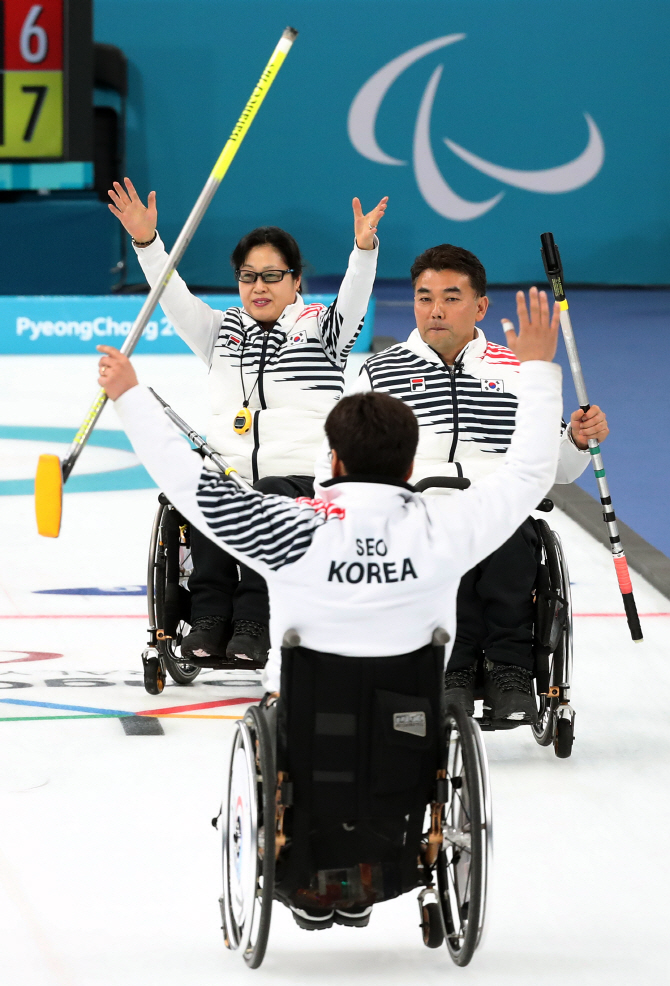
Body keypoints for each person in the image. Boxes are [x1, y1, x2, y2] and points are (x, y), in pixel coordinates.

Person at [98, 284, 561, 928]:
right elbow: (530, 473)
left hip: (303, 733)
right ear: (407, 466)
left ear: (333, 460)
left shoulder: (288, 527)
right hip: (413, 731)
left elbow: (190, 483)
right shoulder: (444, 528)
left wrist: (131, 397)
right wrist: (538, 370)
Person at [323, 244, 609, 722]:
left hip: (496, 507)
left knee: (512, 533)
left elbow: (553, 469)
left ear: (480, 306)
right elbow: (344, 460)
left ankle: (510, 671)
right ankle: (451, 670)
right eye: (424, 297)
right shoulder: (377, 371)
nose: (435, 310)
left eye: (451, 298)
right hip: (417, 513)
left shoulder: (518, 369)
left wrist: (577, 442)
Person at [107, 177, 387, 665]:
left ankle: (256, 620)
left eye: (272, 276)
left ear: (296, 280)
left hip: (301, 477)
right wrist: (148, 244)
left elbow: (355, 295)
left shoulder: (324, 330)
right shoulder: (221, 330)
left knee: (272, 493)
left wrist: (363, 251)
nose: (258, 287)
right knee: (209, 490)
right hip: (231, 468)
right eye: (248, 276)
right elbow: (172, 298)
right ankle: (211, 619)